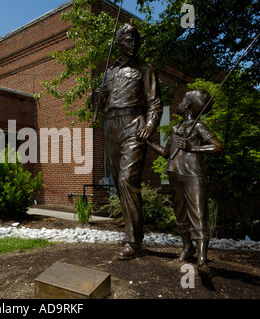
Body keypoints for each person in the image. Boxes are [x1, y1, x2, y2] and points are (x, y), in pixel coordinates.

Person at [91, 23, 163, 260]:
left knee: (127, 180)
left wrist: (150, 126)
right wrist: (96, 98)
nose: (133, 44)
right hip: (110, 126)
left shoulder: (145, 69)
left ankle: (133, 242)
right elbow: (99, 107)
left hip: (133, 124)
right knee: (119, 184)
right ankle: (131, 235)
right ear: (119, 43)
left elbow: (155, 103)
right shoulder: (109, 73)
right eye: (128, 40)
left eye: (136, 40)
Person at [147, 89, 224, 273]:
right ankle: (187, 247)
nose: (179, 103)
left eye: (182, 100)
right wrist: (148, 142)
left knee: (198, 215)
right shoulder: (176, 128)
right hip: (174, 173)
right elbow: (167, 153)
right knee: (180, 214)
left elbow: (219, 146)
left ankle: (202, 259)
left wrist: (192, 148)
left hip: (193, 175)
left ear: (188, 105)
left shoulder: (198, 127)